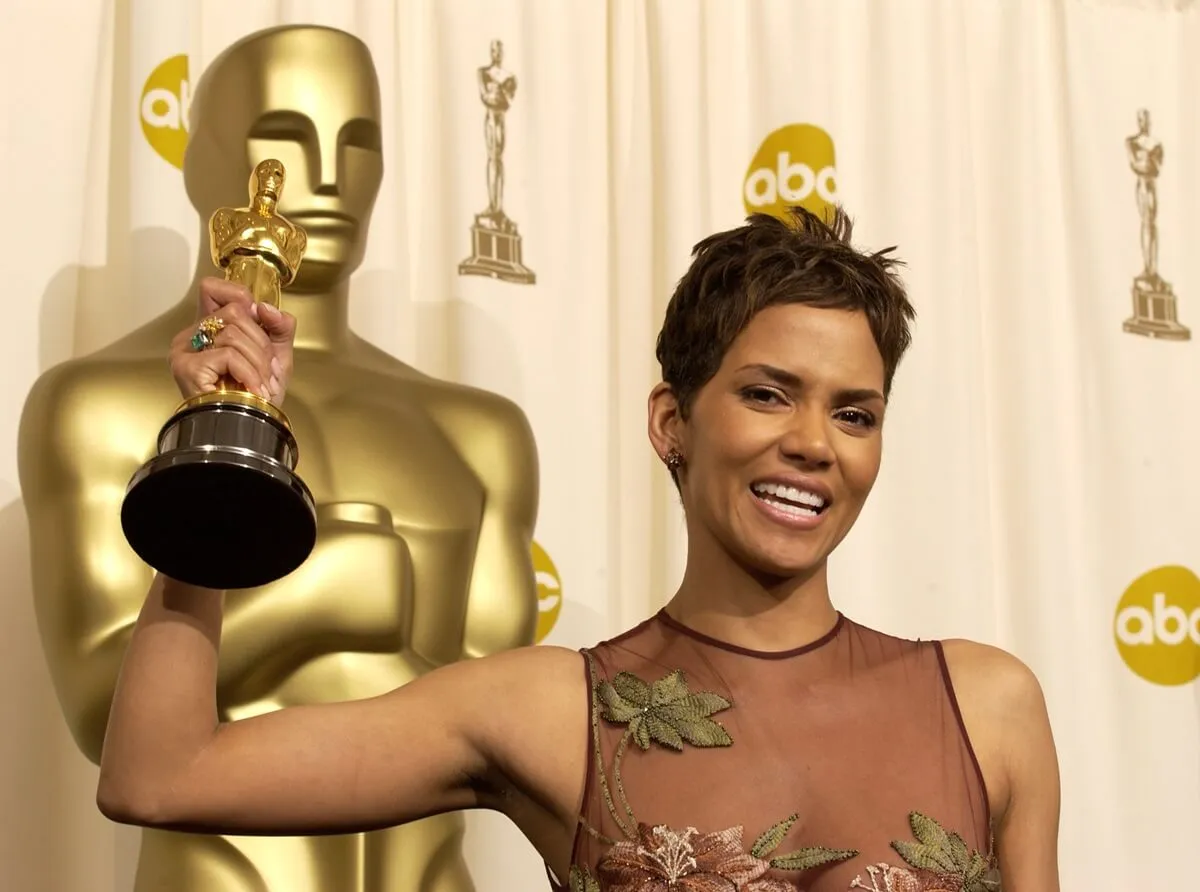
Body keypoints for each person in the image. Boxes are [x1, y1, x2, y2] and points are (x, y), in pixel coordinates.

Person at [97, 206, 1061, 892]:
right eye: (768, 393)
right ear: (671, 423)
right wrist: (221, 453)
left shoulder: (987, 706)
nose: (813, 441)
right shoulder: (547, 709)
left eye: (854, 413)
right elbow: (162, 774)